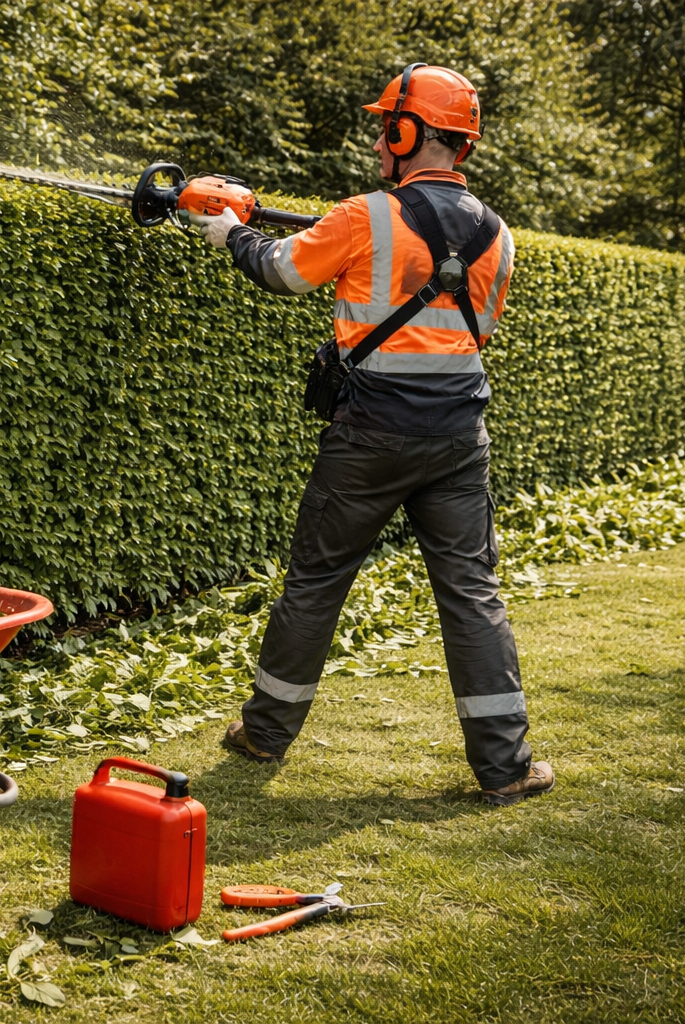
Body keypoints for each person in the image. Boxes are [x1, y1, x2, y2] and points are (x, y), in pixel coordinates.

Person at [188, 63, 553, 806]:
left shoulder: (365, 215)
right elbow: (473, 327)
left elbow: (284, 273)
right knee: (473, 594)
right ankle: (506, 769)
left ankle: (264, 733)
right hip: (459, 438)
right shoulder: (500, 235)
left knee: (318, 583)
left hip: (371, 436)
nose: (381, 139)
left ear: (406, 131)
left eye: (387, 125)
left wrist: (233, 234)